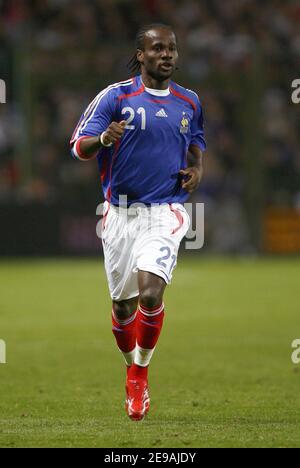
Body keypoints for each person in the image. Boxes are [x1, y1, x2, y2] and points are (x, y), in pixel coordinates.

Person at [70, 23, 206, 421]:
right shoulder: (115, 97)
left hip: (165, 212)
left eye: (172, 49)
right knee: (122, 305)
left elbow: (196, 143)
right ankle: (131, 363)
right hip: (119, 215)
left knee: (150, 294)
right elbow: (79, 146)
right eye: (158, 48)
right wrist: (104, 141)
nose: (166, 55)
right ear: (141, 55)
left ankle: (139, 374)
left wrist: (196, 171)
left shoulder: (190, 101)